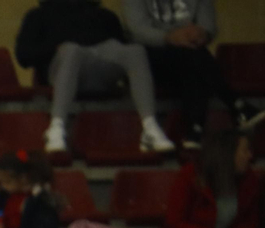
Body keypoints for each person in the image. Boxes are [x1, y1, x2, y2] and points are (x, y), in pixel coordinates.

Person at [14, 0, 172, 156]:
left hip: (101, 72)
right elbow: (24, 55)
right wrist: (54, 48)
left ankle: (150, 126)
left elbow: (121, 47)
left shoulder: (105, 16)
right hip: (63, 71)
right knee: (72, 49)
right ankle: (56, 127)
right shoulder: (38, 15)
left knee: (135, 51)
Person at [123, 0, 261, 149]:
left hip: (189, 54)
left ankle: (197, 130)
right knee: (193, 57)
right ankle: (232, 107)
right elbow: (137, 30)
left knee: (192, 58)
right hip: (150, 58)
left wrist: (202, 33)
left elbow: (208, 26)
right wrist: (170, 37)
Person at [151, 131, 263, 228]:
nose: (250, 156)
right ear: (227, 153)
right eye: (245, 151)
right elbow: (174, 224)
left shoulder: (250, 180)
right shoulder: (190, 175)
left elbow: (251, 223)